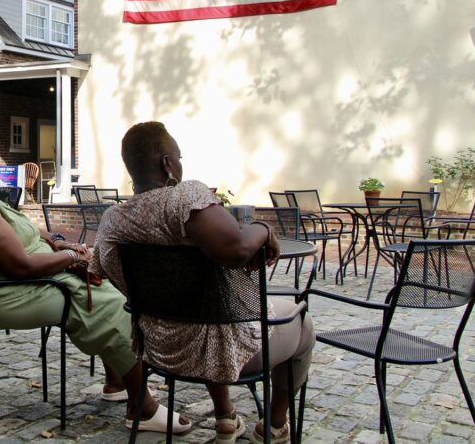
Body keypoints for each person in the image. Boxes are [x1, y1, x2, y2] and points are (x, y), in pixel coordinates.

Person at [0, 127, 191, 434]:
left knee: (101, 287)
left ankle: (117, 381)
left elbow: (17, 232)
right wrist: (74, 259)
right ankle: (142, 408)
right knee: (115, 303)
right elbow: (22, 266)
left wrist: (56, 242)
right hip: (2, 297)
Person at [91, 122, 315, 444]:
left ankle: (226, 417)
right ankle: (275, 425)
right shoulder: (185, 198)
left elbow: (109, 272)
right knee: (303, 322)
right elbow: (236, 248)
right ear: (168, 162)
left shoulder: (114, 220)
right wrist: (264, 230)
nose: (181, 164)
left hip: (160, 350)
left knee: (208, 310)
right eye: (178, 157)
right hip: (225, 352)